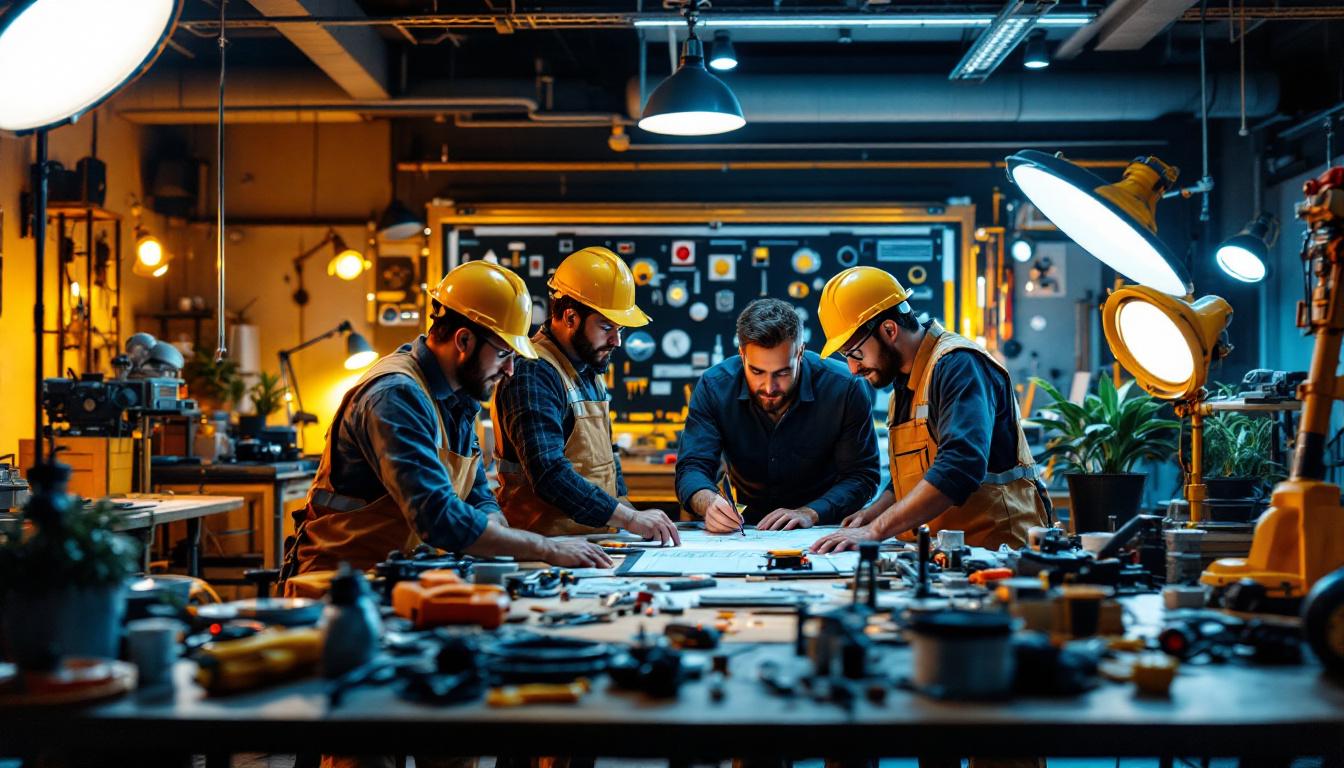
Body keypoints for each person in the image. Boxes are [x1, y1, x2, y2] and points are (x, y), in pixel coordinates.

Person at [283, 260, 612, 585]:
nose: (510, 370)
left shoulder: (458, 396)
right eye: (503, 354)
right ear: (464, 340)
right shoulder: (396, 397)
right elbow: (435, 515)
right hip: (338, 588)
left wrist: (499, 541)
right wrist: (545, 548)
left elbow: (477, 495)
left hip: (397, 581)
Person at [810, 266, 1049, 555]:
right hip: (947, 555)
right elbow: (915, 475)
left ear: (889, 330)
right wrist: (870, 515)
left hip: (998, 554)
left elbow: (959, 467)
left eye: (855, 353)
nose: (852, 368)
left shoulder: (959, 366)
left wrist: (875, 531)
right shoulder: (906, 381)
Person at [492, 246, 679, 544]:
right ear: (570, 317)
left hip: (593, 542)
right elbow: (549, 473)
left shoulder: (588, 366)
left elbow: (608, 458)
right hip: (544, 546)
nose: (616, 340)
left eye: (620, 329)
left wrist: (629, 514)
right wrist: (630, 518)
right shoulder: (533, 372)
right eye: (606, 327)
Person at [676, 298, 880, 532]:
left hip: (824, 528)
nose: (769, 387)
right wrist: (710, 503)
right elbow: (691, 468)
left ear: (800, 353)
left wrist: (811, 513)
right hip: (747, 530)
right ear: (742, 354)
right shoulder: (715, 387)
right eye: (757, 371)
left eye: (782, 372)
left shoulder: (844, 388)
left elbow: (862, 476)